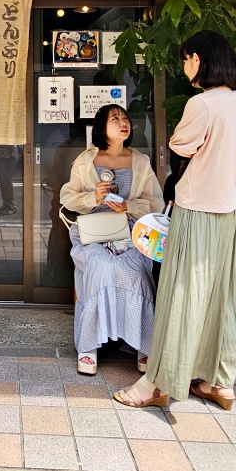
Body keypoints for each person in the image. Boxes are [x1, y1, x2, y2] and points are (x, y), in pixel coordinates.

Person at [114, 30, 236, 411]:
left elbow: (181, 145)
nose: (186, 65)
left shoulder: (203, 103)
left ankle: (158, 382)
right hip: (227, 211)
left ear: (202, 60)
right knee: (219, 296)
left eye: (188, 58)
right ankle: (217, 380)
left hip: (197, 208)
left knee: (181, 295)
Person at [60, 104, 164, 375]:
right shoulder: (86, 160)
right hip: (94, 233)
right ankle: (89, 346)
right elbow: (68, 198)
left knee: (136, 271)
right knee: (99, 266)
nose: (123, 122)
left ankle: (143, 344)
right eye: (115, 118)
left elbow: (156, 202)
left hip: (132, 233)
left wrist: (129, 206)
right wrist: (93, 196)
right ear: (101, 127)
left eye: (125, 118)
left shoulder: (140, 161)